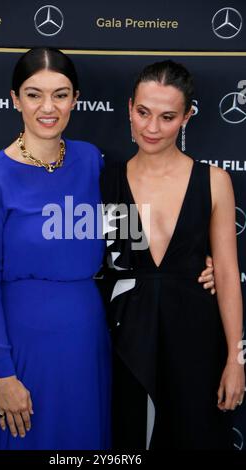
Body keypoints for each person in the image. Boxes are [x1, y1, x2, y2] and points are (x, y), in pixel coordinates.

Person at [0, 47, 111, 450]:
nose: (48, 107)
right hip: (19, 348)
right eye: (34, 94)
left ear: (75, 99)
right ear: (14, 99)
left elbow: (128, 230)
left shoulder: (90, 161)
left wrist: (195, 264)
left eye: (60, 94)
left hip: (82, 342)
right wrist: (4, 375)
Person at [100, 60, 245, 450]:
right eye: (143, 113)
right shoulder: (105, 180)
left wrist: (236, 360)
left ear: (186, 117)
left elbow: (228, 272)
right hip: (126, 338)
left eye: (166, 117)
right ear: (130, 107)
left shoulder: (214, 181)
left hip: (196, 339)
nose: (151, 128)